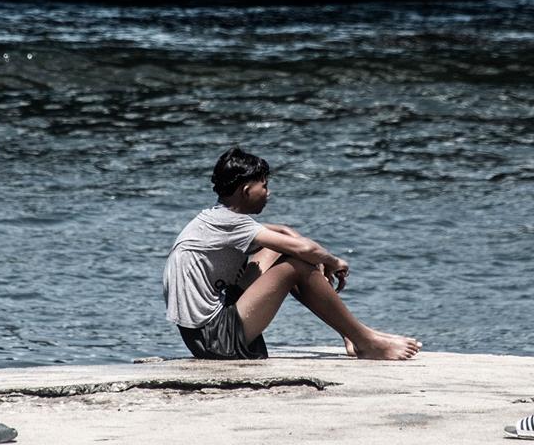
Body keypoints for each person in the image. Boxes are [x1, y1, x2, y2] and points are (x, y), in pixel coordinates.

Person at [162, 147, 422, 360]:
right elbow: (304, 250)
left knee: (282, 251)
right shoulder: (230, 223)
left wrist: (311, 256)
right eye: (264, 186)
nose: (269, 193)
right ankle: (367, 341)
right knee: (295, 264)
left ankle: (353, 334)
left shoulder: (216, 219)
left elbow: (285, 235)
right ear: (246, 191)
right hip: (215, 340)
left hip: (210, 331)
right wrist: (334, 261)